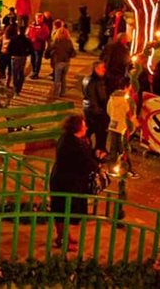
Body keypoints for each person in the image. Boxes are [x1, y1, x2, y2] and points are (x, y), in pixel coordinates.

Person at [49, 114, 99, 251]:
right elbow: (85, 162)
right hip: (66, 182)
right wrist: (97, 164)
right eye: (84, 125)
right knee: (63, 211)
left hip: (64, 179)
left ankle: (64, 236)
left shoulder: (69, 139)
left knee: (64, 210)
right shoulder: (73, 144)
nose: (86, 128)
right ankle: (62, 239)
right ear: (77, 127)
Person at [83, 61, 110, 158]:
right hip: (98, 111)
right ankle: (100, 153)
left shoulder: (86, 79)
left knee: (89, 130)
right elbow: (102, 98)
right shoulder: (98, 82)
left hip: (88, 109)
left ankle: (86, 150)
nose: (104, 70)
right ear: (96, 69)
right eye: (102, 68)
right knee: (101, 134)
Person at [48, 27, 76, 98]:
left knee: (57, 79)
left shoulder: (56, 41)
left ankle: (56, 94)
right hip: (66, 62)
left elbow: (49, 49)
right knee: (63, 78)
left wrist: (48, 55)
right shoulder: (69, 42)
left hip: (58, 61)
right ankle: (63, 92)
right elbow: (73, 52)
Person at [8, 25, 33, 95]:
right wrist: (26, 54)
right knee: (21, 72)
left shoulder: (13, 39)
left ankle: (15, 88)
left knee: (15, 73)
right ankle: (19, 87)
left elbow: (9, 48)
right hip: (22, 57)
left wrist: (12, 53)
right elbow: (31, 49)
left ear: (18, 31)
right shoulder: (27, 40)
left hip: (15, 57)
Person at [27, 13, 50, 79]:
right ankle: (33, 70)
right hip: (32, 45)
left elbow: (46, 35)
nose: (38, 19)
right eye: (37, 18)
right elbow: (28, 33)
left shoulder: (44, 27)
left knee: (38, 60)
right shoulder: (32, 25)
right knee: (32, 59)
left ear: (42, 19)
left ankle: (36, 73)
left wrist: (38, 38)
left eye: (40, 18)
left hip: (39, 46)